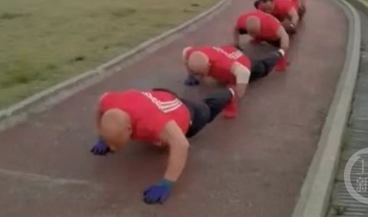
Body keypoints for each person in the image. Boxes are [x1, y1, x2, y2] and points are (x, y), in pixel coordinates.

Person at [90, 87, 235, 204]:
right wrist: (103, 138)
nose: (112, 148)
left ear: (129, 129)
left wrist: (166, 183)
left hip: (189, 114)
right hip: (161, 96)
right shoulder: (108, 102)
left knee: (206, 108)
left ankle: (229, 93)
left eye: (115, 144)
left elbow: (181, 145)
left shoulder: (153, 121)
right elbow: (99, 105)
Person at [182, 46, 285, 118]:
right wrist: (190, 75)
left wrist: (237, 95)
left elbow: (244, 72)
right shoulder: (191, 53)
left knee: (262, 67)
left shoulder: (223, 65)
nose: (199, 76)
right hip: (229, 52)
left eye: (201, 73)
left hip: (244, 65)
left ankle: (279, 54)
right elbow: (185, 51)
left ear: (209, 65)